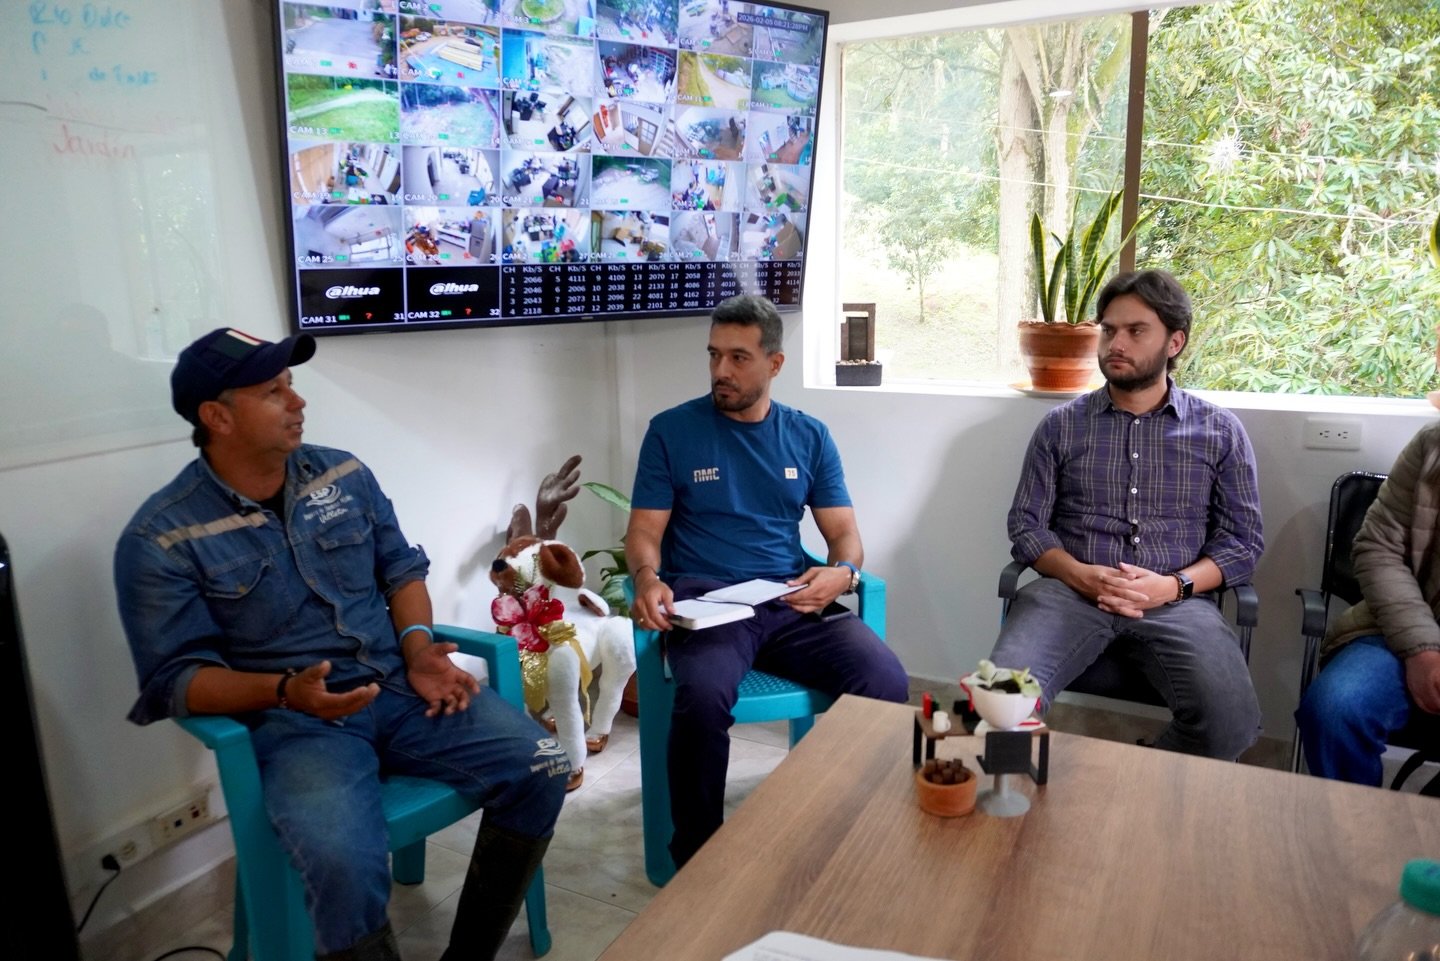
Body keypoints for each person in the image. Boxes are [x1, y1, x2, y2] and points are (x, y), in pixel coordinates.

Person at [114, 328, 569, 961]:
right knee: (343, 862)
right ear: (217, 417)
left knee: (542, 764)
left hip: (400, 688)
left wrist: (418, 648)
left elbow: (401, 571)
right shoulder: (163, 537)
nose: (297, 402)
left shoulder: (343, 474)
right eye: (273, 392)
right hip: (297, 725)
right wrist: (285, 692)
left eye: (291, 384)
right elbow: (177, 680)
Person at [626, 295, 909, 868]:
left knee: (885, 682)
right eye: (714, 355)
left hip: (787, 598)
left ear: (774, 364)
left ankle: (851, 824)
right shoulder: (671, 432)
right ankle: (697, 858)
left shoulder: (808, 436)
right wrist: (648, 577)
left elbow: (844, 535)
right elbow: (643, 532)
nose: (721, 371)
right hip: (707, 605)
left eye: (738, 358)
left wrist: (843, 574)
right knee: (702, 699)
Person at [990, 269, 1263, 760]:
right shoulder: (1061, 427)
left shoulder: (1219, 431)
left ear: (1174, 342)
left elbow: (1242, 544)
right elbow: (1026, 525)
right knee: (999, 703)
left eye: (1136, 331)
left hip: (1175, 601)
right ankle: (1011, 801)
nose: (1116, 344)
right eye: (1109, 330)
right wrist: (1080, 575)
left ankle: (1139, 776)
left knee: (1232, 726)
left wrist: (1172, 586)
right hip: (1069, 593)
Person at [1294, 422, 1440, 785]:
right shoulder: (1432, 443)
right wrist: (1422, 649)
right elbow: (1377, 547)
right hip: (1403, 625)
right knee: (1334, 709)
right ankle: (1353, 820)